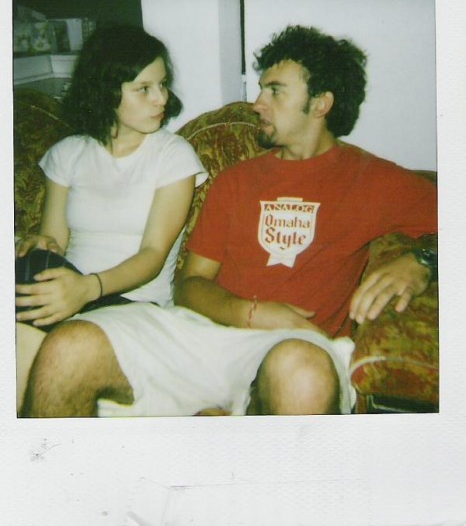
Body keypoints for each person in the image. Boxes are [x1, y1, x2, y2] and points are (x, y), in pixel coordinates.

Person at [21, 25, 437, 418]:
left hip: (294, 344)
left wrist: (422, 261)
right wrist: (250, 313)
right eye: (262, 88)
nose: (257, 103)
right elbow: (189, 286)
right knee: (69, 346)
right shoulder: (237, 180)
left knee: (302, 373)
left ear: (321, 103)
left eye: (275, 91)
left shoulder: (370, 178)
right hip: (199, 336)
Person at [16, 25, 207, 409]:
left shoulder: (173, 156)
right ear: (105, 92)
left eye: (162, 85)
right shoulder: (68, 153)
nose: (161, 98)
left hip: (134, 306)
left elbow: (153, 255)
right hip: (68, 295)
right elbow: (55, 240)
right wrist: (39, 243)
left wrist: (88, 288)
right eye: (144, 88)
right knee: (29, 266)